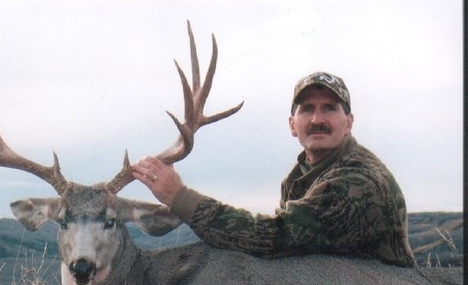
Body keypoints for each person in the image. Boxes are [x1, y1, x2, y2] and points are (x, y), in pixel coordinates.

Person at [132, 72, 415, 267]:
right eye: (307, 109)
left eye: (329, 108)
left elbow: (272, 238)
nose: (317, 119)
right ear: (293, 125)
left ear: (348, 122)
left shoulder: (358, 181)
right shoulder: (300, 178)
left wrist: (180, 197)